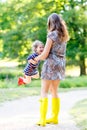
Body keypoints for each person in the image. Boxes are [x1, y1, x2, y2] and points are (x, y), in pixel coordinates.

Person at [34, 13, 69, 126]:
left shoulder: (52, 35)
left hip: (50, 64)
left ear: (51, 23)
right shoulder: (63, 36)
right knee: (54, 91)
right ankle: (54, 118)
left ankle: (42, 120)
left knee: (44, 91)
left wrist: (36, 59)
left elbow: (45, 55)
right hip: (60, 65)